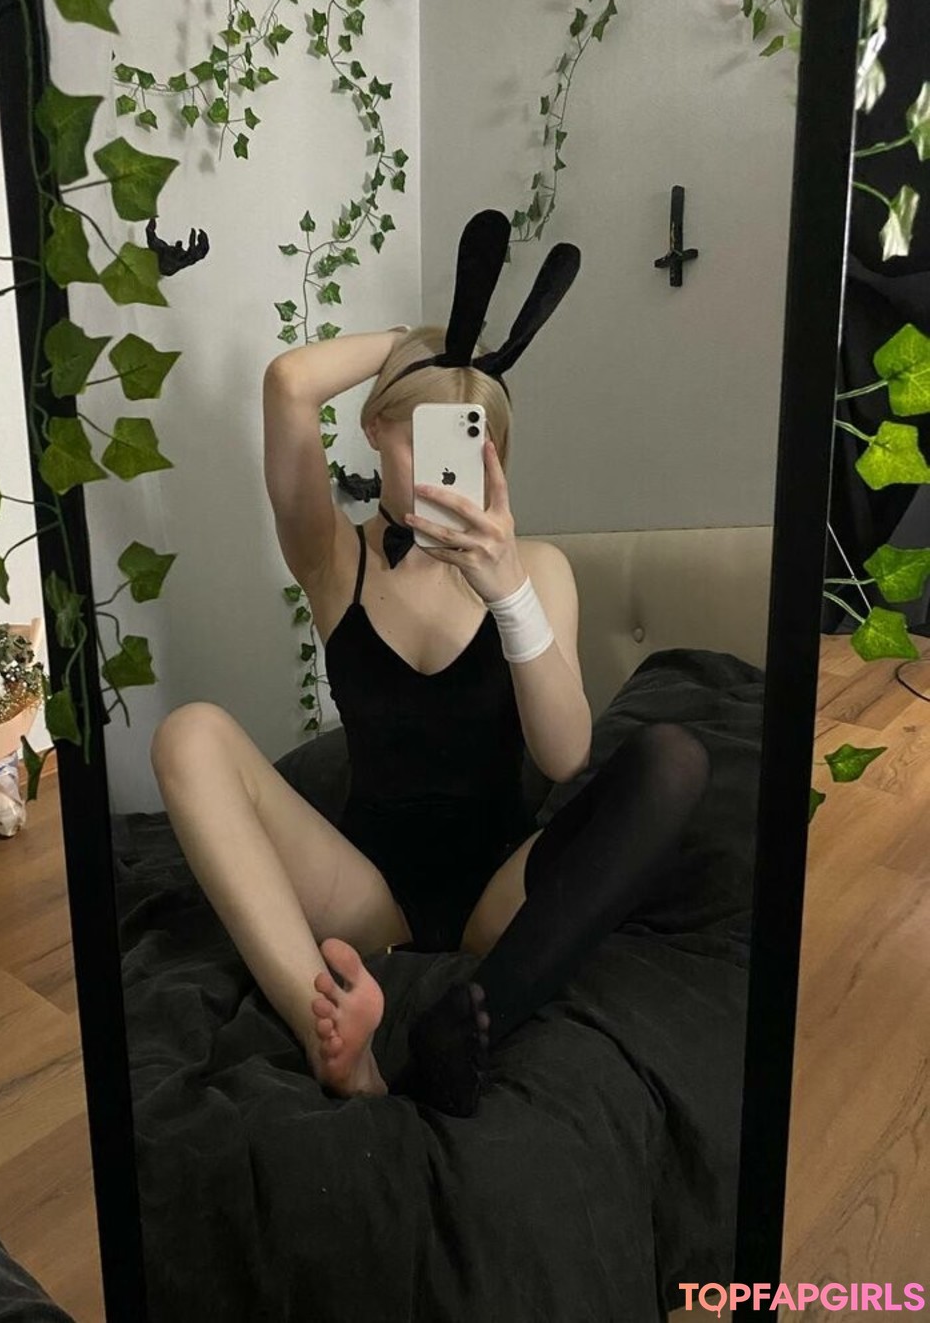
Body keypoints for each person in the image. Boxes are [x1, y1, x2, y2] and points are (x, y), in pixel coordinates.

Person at [150, 212, 711, 1116]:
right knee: (188, 735)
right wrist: (422, 348)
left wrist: (506, 589)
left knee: (674, 760)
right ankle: (335, 1046)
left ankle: (476, 1016)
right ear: (374, 427)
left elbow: (566, 755)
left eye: (471, 441)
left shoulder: (539, 571)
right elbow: (289, 382)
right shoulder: (334, 558)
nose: (445, 468)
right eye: (424, 435)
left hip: (501, 890)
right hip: (367, 891)